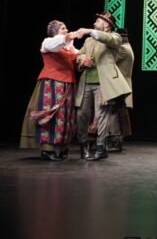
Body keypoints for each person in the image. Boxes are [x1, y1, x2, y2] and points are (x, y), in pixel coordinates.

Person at [74, 12, 132, 161]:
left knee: (102, 116)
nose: (94, 23)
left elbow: (107, 38)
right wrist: (83, 60)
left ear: (106, 24)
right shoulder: (89, 41)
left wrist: (88, 30)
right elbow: (78, 55)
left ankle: (101, 148)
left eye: (97, 21)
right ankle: (83, 144)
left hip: (103, 84)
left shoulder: (115, 37)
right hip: (86, 83)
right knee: (81, 115)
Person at [20, 20, 79, 161]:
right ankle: (47, 149)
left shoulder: (69, 47)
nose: (66, 30)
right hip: (52, 83)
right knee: (51, 115)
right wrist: (68, 37)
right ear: (55, 31)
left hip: (69, 84)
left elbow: (80, 55)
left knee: (67, 117)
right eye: (63, 28)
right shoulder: (48, 42)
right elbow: (56, 44)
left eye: (66, 28)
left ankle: (63, 147)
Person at [106, 27, 134, 152]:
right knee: (119, 112)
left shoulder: (122, 48)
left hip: (119, 85)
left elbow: (109, 61)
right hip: (122, 84)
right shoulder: (127, 46)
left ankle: (115, 141)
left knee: (114, 113)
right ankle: (117, 140)